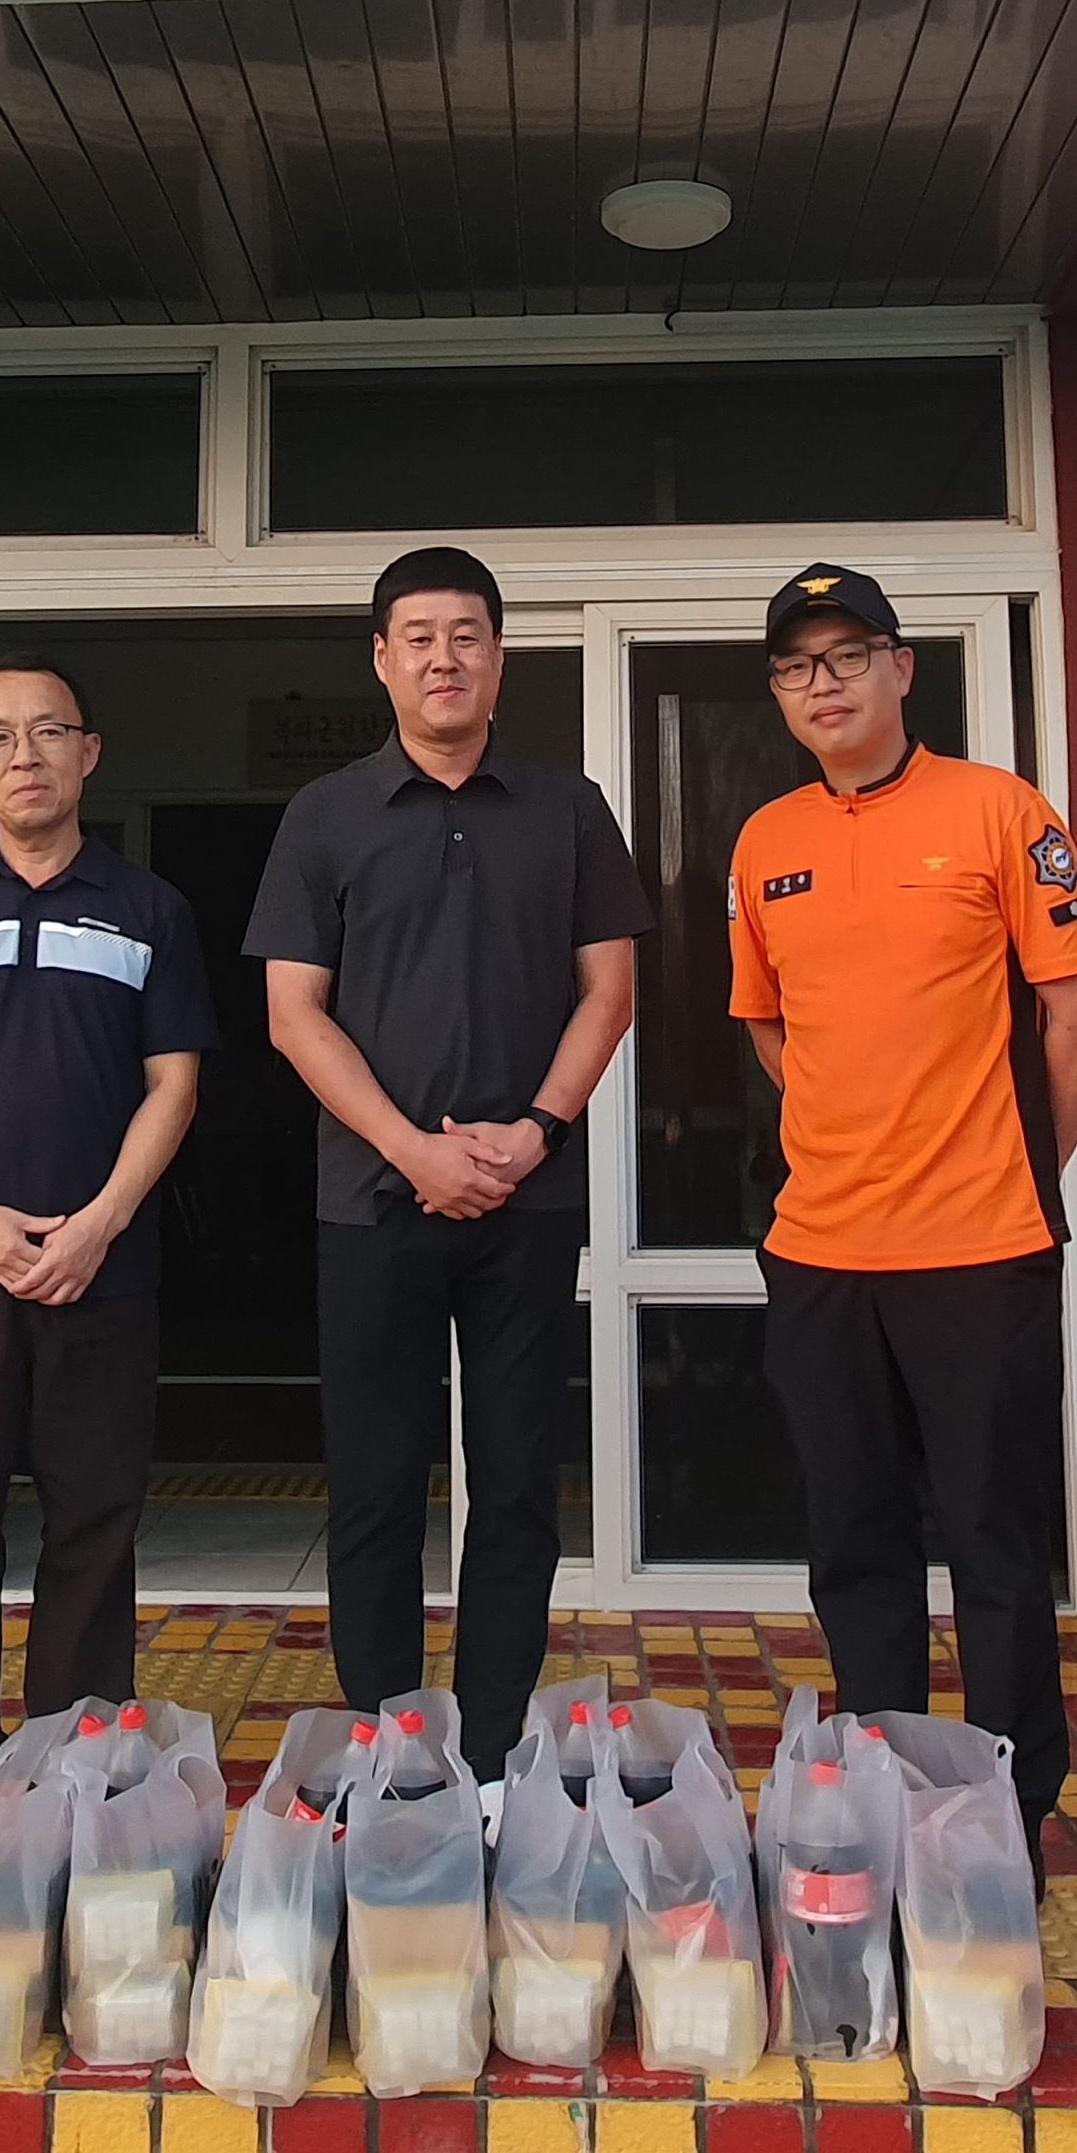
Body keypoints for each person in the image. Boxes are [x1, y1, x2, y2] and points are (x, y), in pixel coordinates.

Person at [726, 564, 1077, 1850]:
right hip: (821, 1250)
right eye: (796, 666)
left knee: (995, 1547)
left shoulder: (1000, 812)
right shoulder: (765, 841)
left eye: (847, 655)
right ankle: (881, 1793)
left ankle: (1007, 1815)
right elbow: (772, 1027)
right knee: (853, 1544)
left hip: (979, 1247)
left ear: (902, 668)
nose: (822, 684)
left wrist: (1015, 1167)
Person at [247, 546, 648, 1790]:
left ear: (499, 657)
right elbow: (292, 1014)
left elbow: (610, 989)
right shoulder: (324, 815)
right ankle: (386, 1745)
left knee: (518, 1485)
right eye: (417, 637)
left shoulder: (568, 806)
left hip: (529, 1199)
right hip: (373, 1203)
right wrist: (412, 1147)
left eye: (466, 635)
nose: (443, 658)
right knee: (374, 1485)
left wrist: (537, 1131)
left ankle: (488, 1745)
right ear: (381, 660)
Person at [0, 658, 215, 1871]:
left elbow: (175, 1083)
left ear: (88, 753)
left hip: (102, 1271)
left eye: (49, 731)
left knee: (93, 1525)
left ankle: (76, 1770)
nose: (25, 754)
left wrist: (101, 1221)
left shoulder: (148, 910)